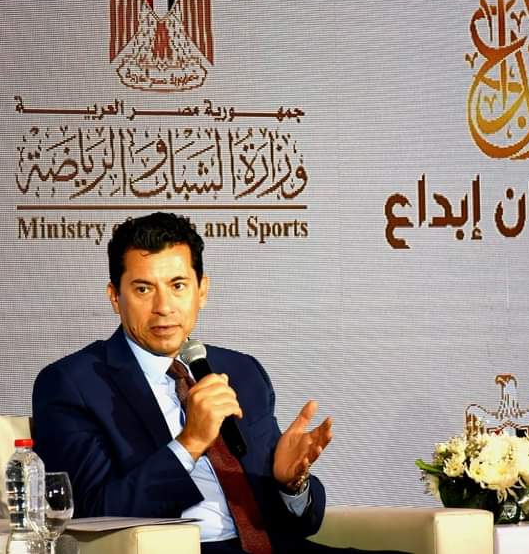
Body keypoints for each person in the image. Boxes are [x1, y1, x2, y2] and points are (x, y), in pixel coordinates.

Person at [33, 212, 408, 554]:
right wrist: (190, 443)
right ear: (115, 297)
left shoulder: (241, 370)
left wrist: (289, 484)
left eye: (178, 285)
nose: (164, 306)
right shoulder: (72, 383)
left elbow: (298, 522)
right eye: (143, 289)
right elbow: (90, 512)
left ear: (202, 290)